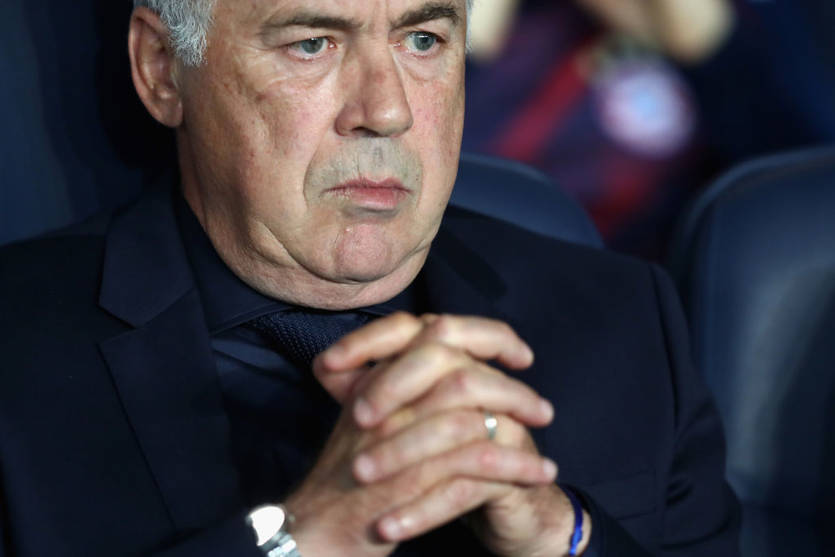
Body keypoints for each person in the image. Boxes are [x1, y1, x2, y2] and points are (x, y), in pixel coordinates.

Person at [0, 1, 739, 556]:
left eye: (423, 40)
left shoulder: (623, 316)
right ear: (163, 69)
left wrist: (563, 533)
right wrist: (304, 540)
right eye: (311, 43)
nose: (386, 110)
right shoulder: (16, 352)